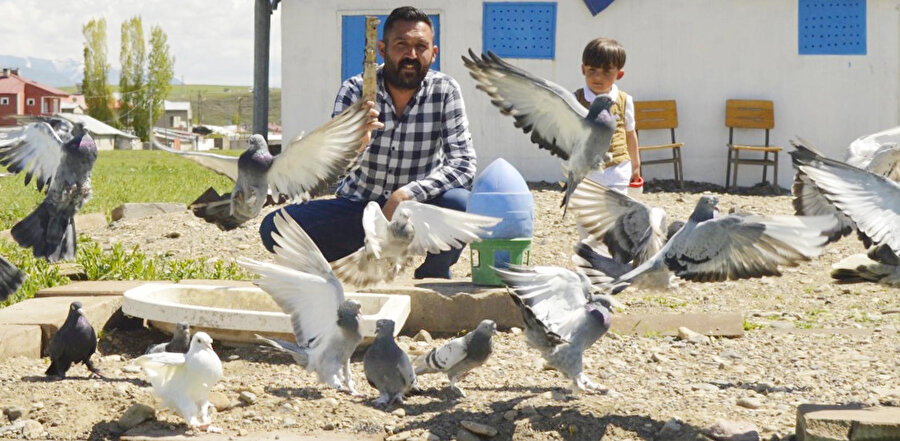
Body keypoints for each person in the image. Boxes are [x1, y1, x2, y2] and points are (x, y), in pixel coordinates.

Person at [259, 6, 477, 279]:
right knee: (275, 227)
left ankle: (432, 274)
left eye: (420, 46)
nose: (411, 55)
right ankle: (347, 270)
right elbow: (331, 173)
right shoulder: (355, 90)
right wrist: (357, 145)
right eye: (402, 45)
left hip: (416, 213)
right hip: (359, 209)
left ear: (433, 53)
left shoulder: (445, 90)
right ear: (383, 50)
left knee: (461, 201)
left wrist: (405, 195)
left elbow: (464, 164)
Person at [573, 37, 640, 194]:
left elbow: (630, 134)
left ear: (619, 74)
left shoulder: (625, 100)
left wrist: (635, 165)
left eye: (607, 72)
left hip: (618, 169)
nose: (598, 77)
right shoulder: (575, 99)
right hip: (585, 170)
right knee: (586, 216)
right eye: (592, 70)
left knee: (615, 214)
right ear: (583, 69)